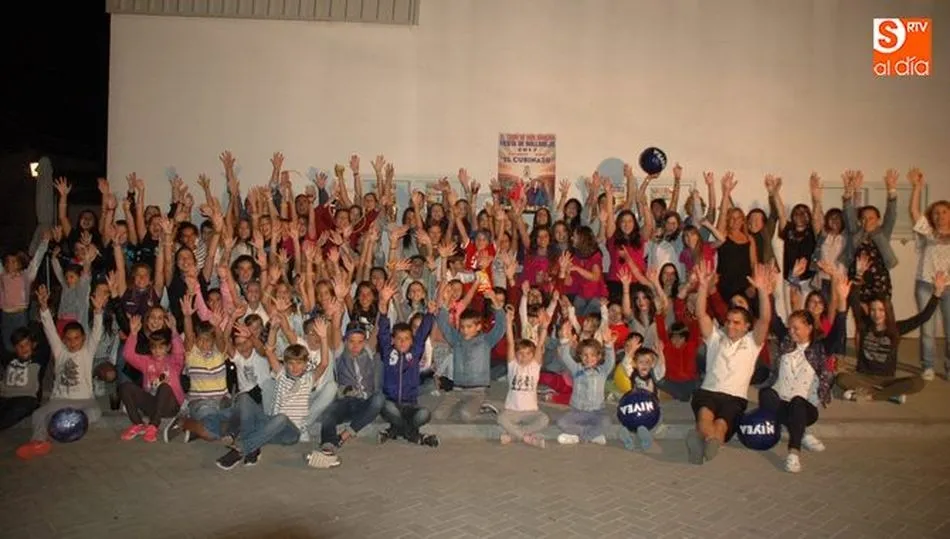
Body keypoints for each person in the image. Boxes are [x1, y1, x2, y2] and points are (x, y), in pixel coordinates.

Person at [759, 269, 849, 473]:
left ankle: (793, 452)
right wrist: (768, 292)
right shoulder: (787, 342)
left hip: (805, 407)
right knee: (766, 395)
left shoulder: (820, 348)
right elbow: (774, 319)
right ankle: (800, 431)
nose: (791, 332)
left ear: (809, 328)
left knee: (798, 402)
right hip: (782, 402)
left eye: (796, 328)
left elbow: (838, 331)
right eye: (790, 328)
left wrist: (842, 301)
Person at [687, 261, 771, 465]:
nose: (731, 326)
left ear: (747, 326)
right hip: (708, 391)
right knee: (704, 418)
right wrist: (703, 286)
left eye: (736, 322)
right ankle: (705, 440)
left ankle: (701, 439)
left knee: (721, 426)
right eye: (728, 321)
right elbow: (701, 314)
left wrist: (762, 291)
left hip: (734, 398)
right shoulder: (715, 337)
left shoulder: (752, 342)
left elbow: (764, 320)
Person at [16, 285, 106, 460]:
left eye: (77, 338)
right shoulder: (60, 351)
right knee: (38, 415)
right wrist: (44, 307)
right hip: (60, 400)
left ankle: (66, 429)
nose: (73, 342)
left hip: (83, 401)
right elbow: (49, 330)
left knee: (95, 413)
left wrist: (98, 311)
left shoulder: (87, 352)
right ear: (64, 340)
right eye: (68, 339)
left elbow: (96, 333)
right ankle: (38, 442)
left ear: (83, 339)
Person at [836, 265, 945, 403]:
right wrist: (858, 276)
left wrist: (937, 293)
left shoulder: (896, 328)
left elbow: (923, 317)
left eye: (881, 310)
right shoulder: (864, 325)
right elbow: (854, 300)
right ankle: (889, 395)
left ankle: (871, 395)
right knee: (841, 378)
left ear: (887, 311)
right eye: (873, 310)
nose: (877, 314)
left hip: (887, 380)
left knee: (918, 382)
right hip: (863, 376)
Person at [376, 278, 438, 447]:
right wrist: (383, 304)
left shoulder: (415, 352)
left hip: (410, 405)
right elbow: (383, 331)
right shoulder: (388, 352)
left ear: (412, 340)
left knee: (424, 414)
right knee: (386, 407)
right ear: (393, 340)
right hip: (391, 403)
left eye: (407, 339)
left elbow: (422, 332)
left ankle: (395, 431)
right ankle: (415, 436)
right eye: (399, 339)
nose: (403, 342)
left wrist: (430, 314)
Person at [433, 285, 506, 423]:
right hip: (457, 390)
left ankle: (486, 406)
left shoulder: (486, 341)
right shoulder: (456, 340)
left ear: (478, 327)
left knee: (465, 416)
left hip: (477, 391)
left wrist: (495, 302)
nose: (465, 330)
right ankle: (469, 408)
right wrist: (445, 305)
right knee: (439, 415)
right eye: (462, 327)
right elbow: (443, 325)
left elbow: (501, 327)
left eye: (469, 327)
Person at [317, 323, 386, 458]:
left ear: (364, 342)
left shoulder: (368, 352)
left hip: (364, 403)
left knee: (379, 398)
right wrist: (336, 318)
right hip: (345, 402)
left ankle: (344, 436)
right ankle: (328, 443)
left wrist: (382, 311)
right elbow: (336, 328)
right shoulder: (340, 353)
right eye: (351, 341)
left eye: (360, 342)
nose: (355, 346)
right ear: (345, 341)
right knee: (329, 412)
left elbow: (377, 328)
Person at [908, 167, 950, 381]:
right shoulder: (929, 232)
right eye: (936, 213)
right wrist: (917, 187)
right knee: (927, 328)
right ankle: (928, 365)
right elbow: (914, 211)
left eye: (944, 212)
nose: (940, 216)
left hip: (949, 287)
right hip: (926, 284)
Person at [119, 316, 185, 442]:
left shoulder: (174, 362)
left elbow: (179, 351)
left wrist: (174, 331)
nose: (157, 351)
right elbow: (128, 355)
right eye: (154, 347)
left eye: (161, 347)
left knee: (164, 387)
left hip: (170, 406)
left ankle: (154, 425)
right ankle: (138, 424)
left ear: (168, 348)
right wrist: (133, 334)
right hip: (153, 404)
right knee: (125, 387)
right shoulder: (146, 361)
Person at [554, 322, 617, 445]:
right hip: (578, 411)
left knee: (606, 423)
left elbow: (610, 361)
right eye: (585, 355)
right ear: (580, 356)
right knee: (562, 422)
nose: (589, 359)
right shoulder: (576, 369)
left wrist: (609, 345)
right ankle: (591, 435)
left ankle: (579, 436)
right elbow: (565, 356)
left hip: (597, 412)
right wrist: (565, 339)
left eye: (593, 355)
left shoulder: (603, 371)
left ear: (599, 356)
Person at [497, 305, 550, 448]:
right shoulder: (513, 365)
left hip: (531, 411)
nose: (523, 356)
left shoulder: (535, 366)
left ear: (533, 355)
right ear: (516, 354)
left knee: (544, 419)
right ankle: (528, 438)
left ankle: (513, 435)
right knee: (501, 418)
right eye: (520, 353)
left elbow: (540, 344)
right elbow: (510, 342)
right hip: (512, 411)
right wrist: (508, 322)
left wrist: (544, 327)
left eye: (527, 354)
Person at [616, 346, 664, 451]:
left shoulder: (654, 374)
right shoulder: (633, 374)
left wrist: (660, 353)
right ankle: (628, 436)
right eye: (641, 362)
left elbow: (662, 368)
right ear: (635, 364)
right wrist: (632, 350)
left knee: (659, 420)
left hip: (652, 407)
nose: (644, 364)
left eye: (647, 362)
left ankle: (646, 436)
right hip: (635, 406)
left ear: (652, 364)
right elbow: (625, 364)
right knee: (630, 419)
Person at [0, 328, 46, 430]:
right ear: (14, 348)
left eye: (26, 344)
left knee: (18, 409)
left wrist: (40, 322)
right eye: (19, 346)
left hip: (26, 398)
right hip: (4, 396)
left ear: (33, 345)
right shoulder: (9, 359)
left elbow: (46, 339)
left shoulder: (38, 359)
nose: (23, 348)